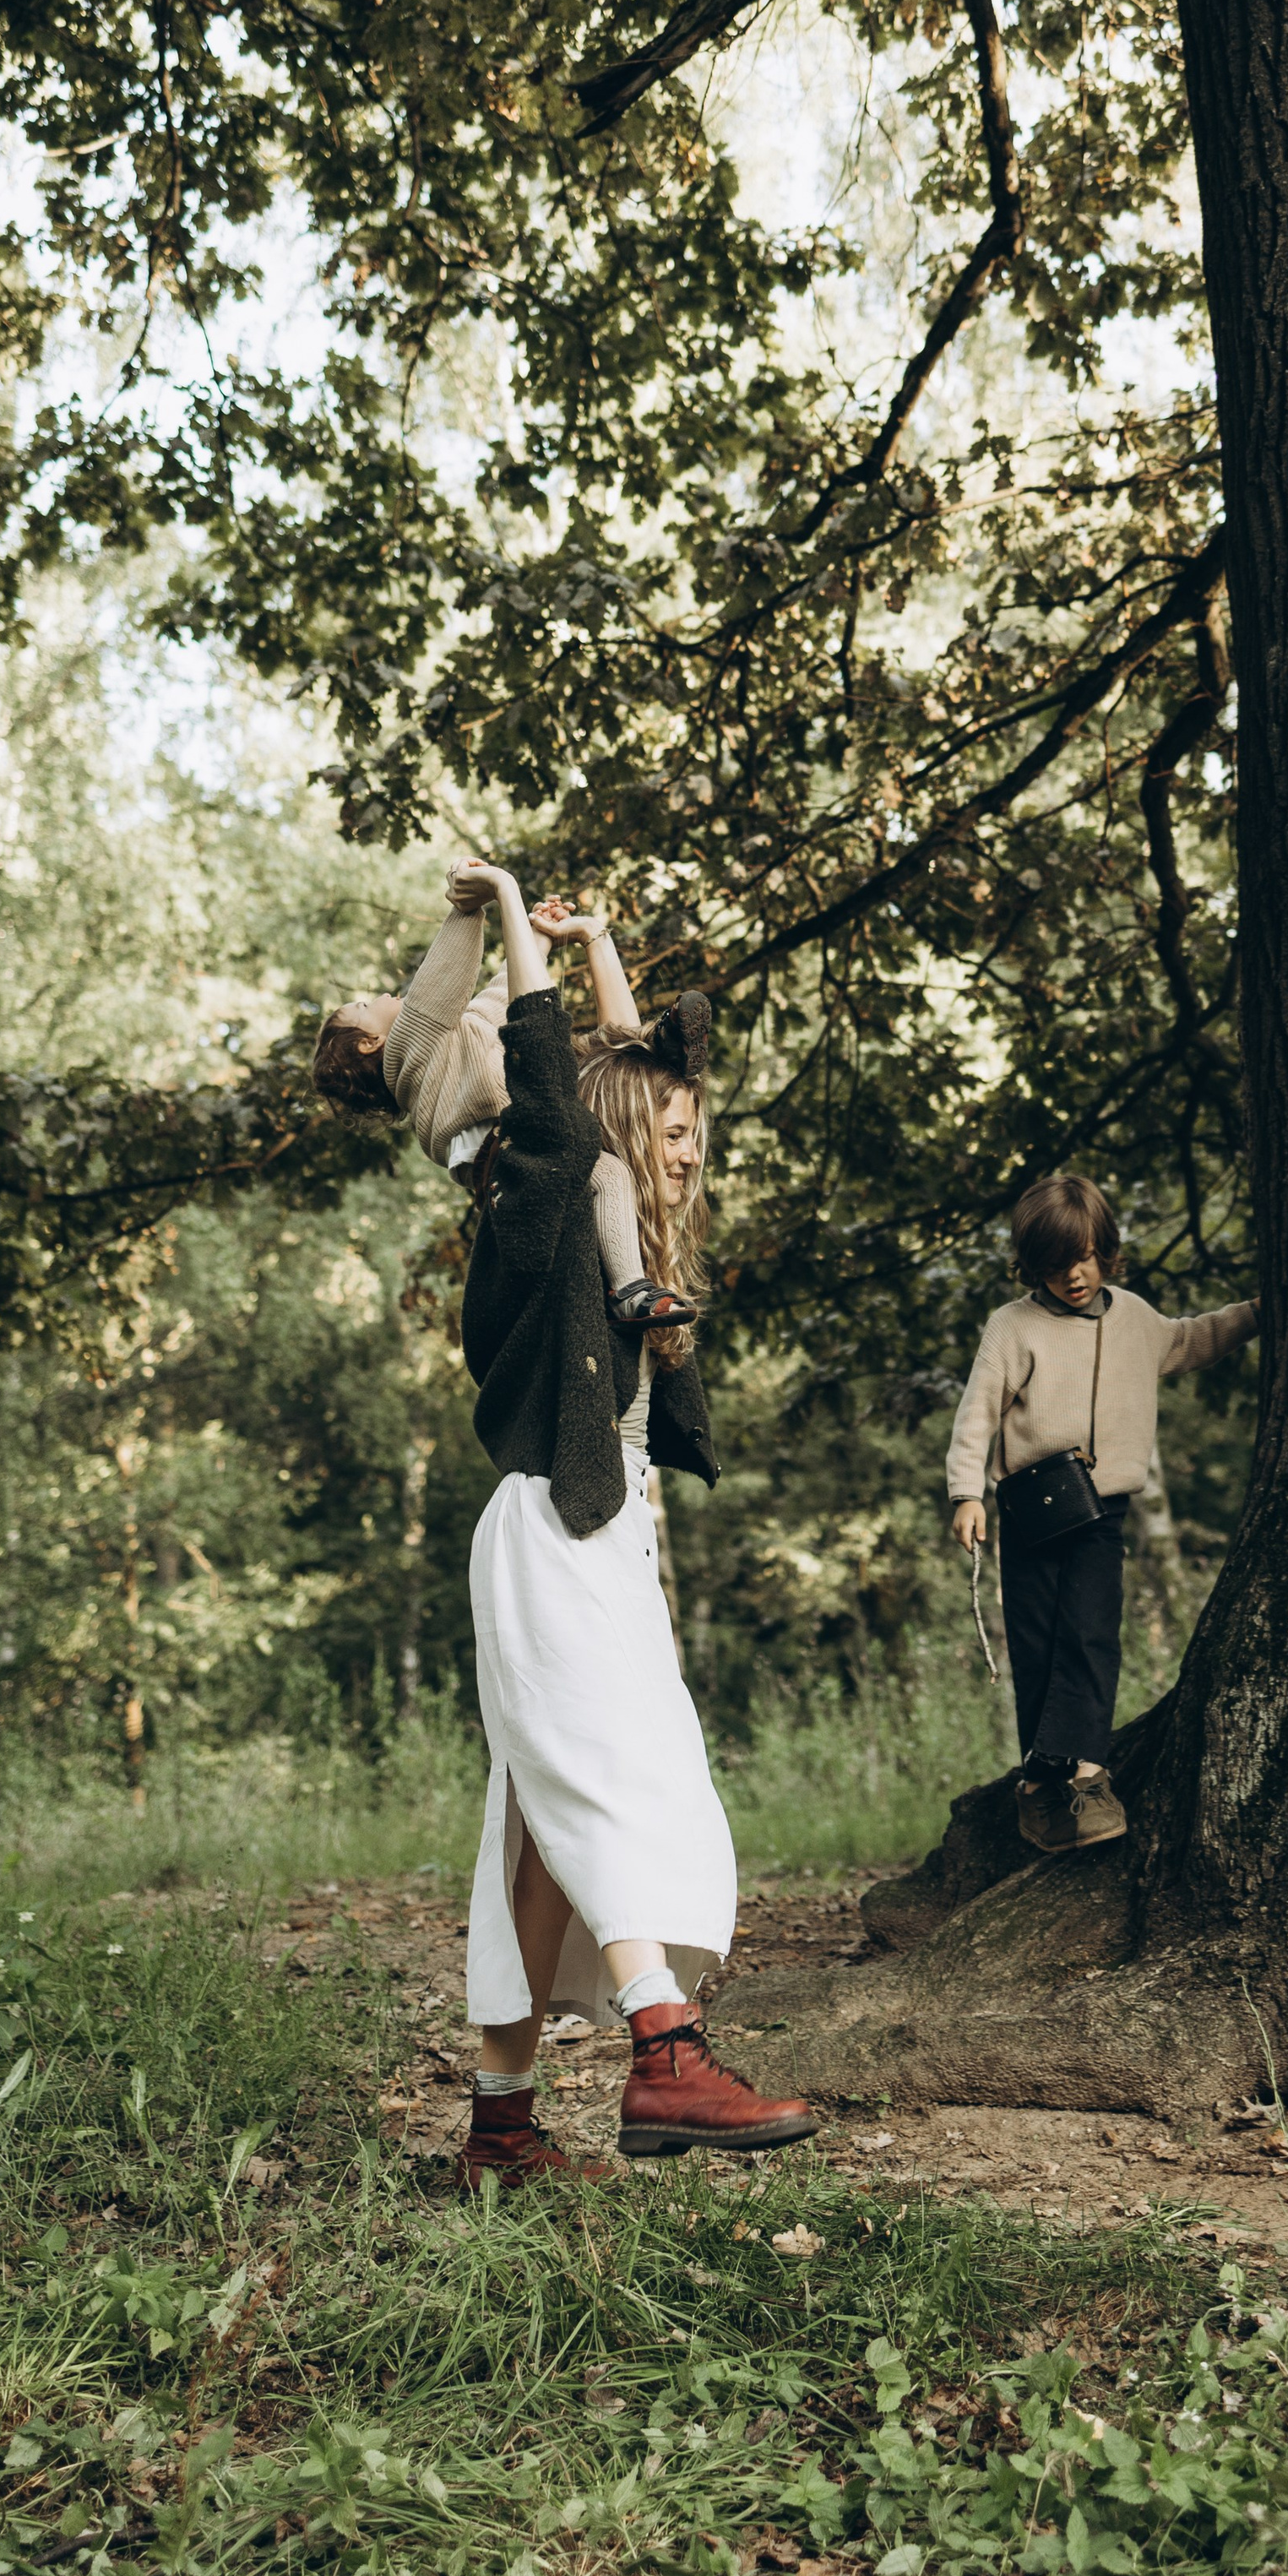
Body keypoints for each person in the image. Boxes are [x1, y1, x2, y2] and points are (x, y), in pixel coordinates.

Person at [450, 857, 815, 2191]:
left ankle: (500, 2126)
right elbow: (560, 1082)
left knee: (541, 1829)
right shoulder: (547, 1196)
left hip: (592, 1533)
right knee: (629, 1778)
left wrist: (600, 936)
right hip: (554, 1526)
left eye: (696, 1128)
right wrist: (506, 922)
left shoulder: (626, 1248)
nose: (689, 1142)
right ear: (609, 1127)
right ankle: (667, 2055)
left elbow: (660, 1046)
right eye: (668, 1125)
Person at [947, 1174, 1258, 1855]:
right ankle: (1036, 1783)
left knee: (1089, 1635)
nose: (1074, 1276)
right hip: (1029, 1508)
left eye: (1084, 1258)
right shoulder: (1012, 1327)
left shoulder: (1135, 1319)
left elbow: (1192, 1339)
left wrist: (1260, 1310)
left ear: (1105, 1251)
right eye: (1056, 1267)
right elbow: (976, 1415)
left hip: (1099, 1511)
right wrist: (966, 1493)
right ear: (1033, 1268)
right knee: (1037, 1647)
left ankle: (1087, 1777)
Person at [312, 866, 695, 1332]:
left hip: (545, 1122)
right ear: (368, 1043)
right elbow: (441, 977)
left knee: (615, 1070)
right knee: (609, 1170)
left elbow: (505, 996)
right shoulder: (410, 1051)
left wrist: (536, 935)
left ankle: (659, 1052)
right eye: (366, 1005)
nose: (385, 994)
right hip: (513, 1154)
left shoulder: (455, 1041)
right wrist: (469, 907)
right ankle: (630, 1288)